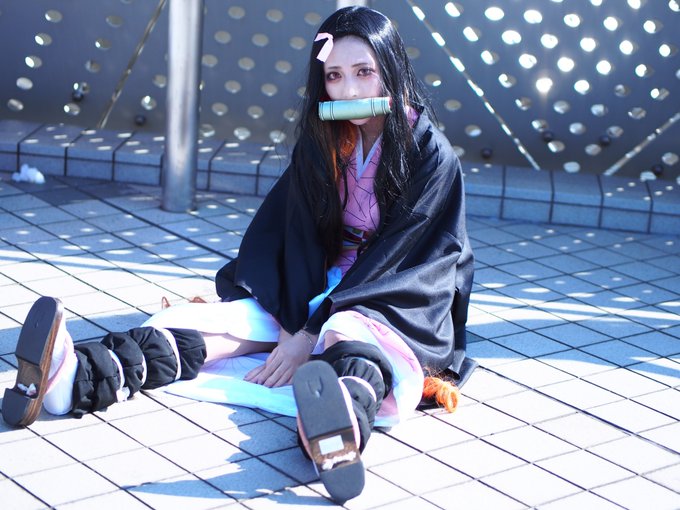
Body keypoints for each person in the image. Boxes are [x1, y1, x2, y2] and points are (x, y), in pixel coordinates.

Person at [2, 6, 474, 503]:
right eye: (334, 76)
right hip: (321, 278)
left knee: (352, 335)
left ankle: (339, 429)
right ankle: (79, 377)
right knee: (222, 325)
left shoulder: (431, 154)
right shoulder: (323, 140)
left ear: (391, 70)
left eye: (364, 72)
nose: (350, 91)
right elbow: (295, 233)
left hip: (392, 289)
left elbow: (402, 256)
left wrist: (312, 331)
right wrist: (293, 320)